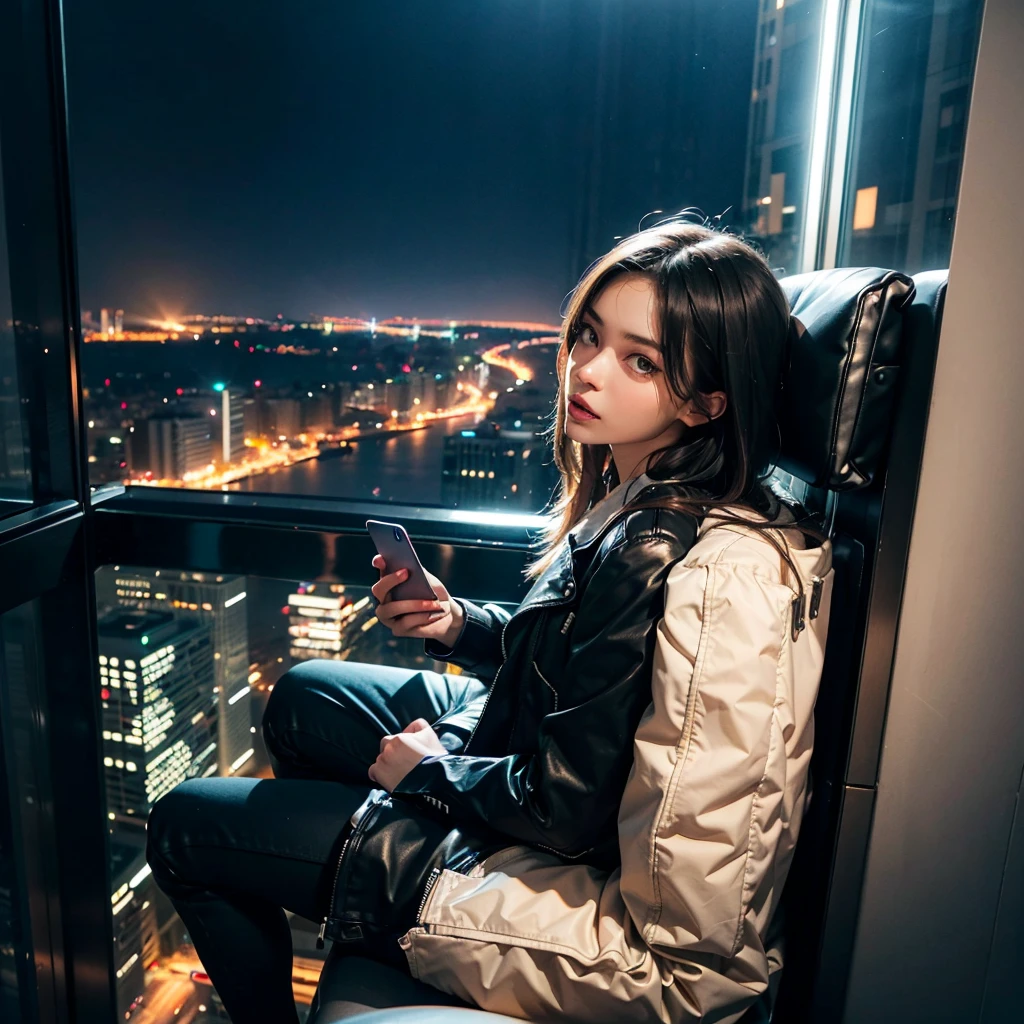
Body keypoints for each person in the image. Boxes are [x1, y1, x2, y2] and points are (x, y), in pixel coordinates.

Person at [146, 218, 833, 1024]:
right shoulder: (648, 493)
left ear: (706, 399)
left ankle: (336, 899)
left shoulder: (659, 546)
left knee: (182, 829)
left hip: (559, 835)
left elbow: (564, 809)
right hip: (539, 761)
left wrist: (426, 775)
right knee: (302, 695)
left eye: (639, 360)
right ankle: (333, 880)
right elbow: (581, 667)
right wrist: (455, 623)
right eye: (588, 336)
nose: (586, 370)